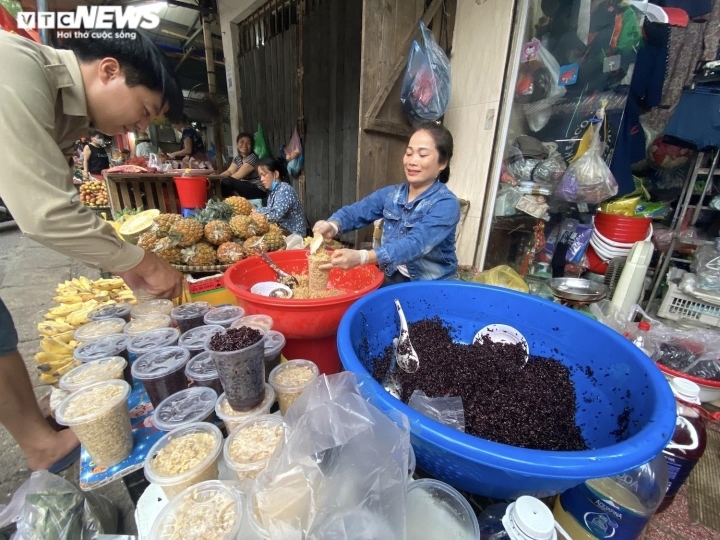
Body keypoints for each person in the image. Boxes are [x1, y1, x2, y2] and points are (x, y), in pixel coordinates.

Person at [0, 30, 184, 473]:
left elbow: (61, 200)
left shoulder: (68, 113)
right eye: (144, 111)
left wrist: (118, 260)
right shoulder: (16, 68)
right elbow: (45, 213)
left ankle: (38, 430)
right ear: (109, 71)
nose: (141, 129)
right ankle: (41, 443)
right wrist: (142, 259)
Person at [314, 123, 459, 284]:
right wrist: (333, 225)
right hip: (391, 276)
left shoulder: (446, 204)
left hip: (429, 285)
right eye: (408, 153)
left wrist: (362, 257)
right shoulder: (392, 194)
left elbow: (415, 244)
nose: (411, 161)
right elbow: (357, 211)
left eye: (422, 155)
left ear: (443, 162)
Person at [255, 157, 307, 236]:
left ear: (276, 174)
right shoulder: (273, 192)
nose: (261, 179)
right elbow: (271, 210)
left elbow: (276, 214)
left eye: (264, 175)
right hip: (284, 233)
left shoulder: (284, 189)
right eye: (260, 176)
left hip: (294, 236)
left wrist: (257, 212)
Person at [218, 132, 267, 200]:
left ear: (252, 146)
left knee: (227, 182)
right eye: (241, 142)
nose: (244, 145)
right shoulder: (238, 158)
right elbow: (229, 171)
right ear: (237, 144)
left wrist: (222, 180)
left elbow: (238, 175)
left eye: (248, 143)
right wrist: (218, 178)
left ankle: (224, 203)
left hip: (258, 189)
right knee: (224, 182)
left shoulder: (253, 157)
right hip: (246, 187)